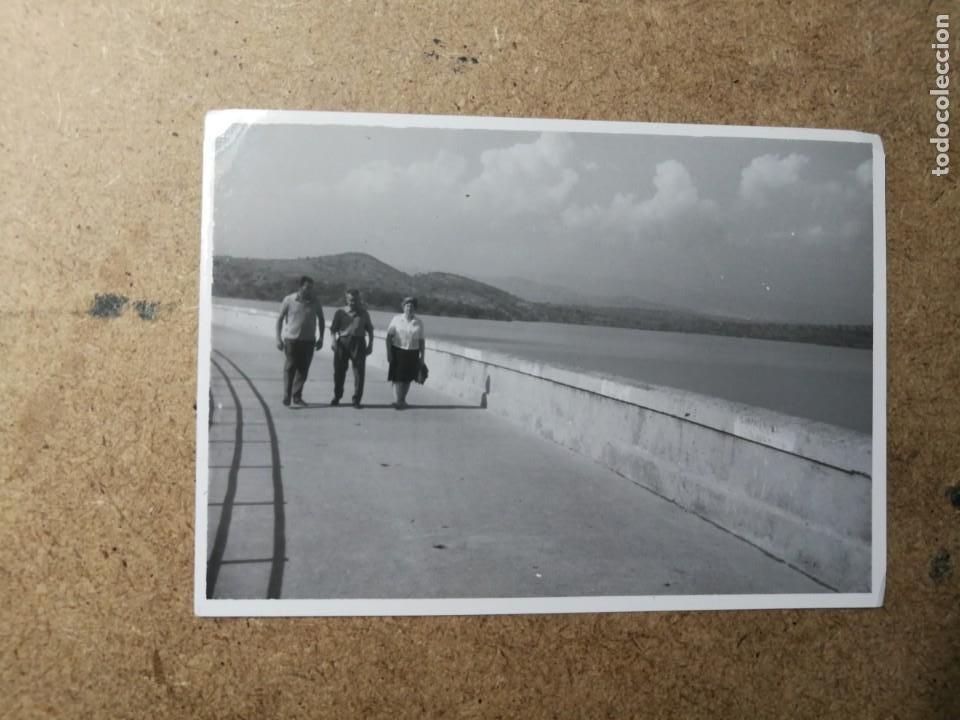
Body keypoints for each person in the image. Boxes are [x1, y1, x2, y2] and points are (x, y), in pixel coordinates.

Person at [276, 276, 324, 407]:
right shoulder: (289, 300)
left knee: (303, 370)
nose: (309, 290)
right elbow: (279, 319)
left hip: (309, 341)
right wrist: (278, 339)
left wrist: (321, 338)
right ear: (301, 287)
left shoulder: (315, 301)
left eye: (311, 288)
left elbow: (321, 319)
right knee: (290, 367)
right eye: (307, 288)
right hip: (291, 340)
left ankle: (296, 397)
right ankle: (287, 395)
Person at [329, 289, 374, 408]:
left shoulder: (364, 313)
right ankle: (337, 396)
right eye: (350, 300)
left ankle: (356, 400)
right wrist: (333, 341)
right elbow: (333, 329)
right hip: (342, 343)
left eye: (355, 300)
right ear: (347, 299)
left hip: (359, 343)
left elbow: (370, 330)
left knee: (359, 372)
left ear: (359, 299)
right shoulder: (340, 312)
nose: (352, 302)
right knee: (339, 372)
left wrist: (370, 345)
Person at [385, 297, 425, 409]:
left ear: (415, 308)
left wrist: (422, 357)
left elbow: (421, 341)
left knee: (408, 378)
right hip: (398, 351)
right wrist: (389, 353)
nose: (409, 308)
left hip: (413, 352)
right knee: (397, 378)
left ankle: (402, 400)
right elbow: (388, 337)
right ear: (403, 307)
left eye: (412, 306)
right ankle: (398, 401)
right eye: (407, 306)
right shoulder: (396, 319)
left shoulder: (419, 322)